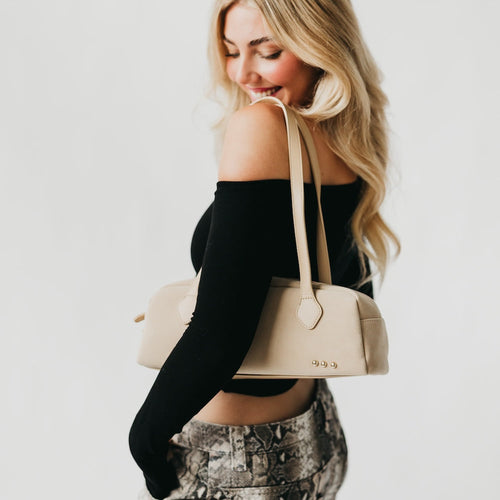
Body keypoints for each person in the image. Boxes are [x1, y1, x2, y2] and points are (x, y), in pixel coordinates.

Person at [128, 0, 400, 498]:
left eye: (268, 51)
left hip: (235, 462)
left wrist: (144, 440)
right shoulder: (347, 135)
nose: (243, 73)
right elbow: (349, 280)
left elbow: (220, 333)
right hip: (314, 435)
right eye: (231, 51)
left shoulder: (263, 126)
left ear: (321, 43)